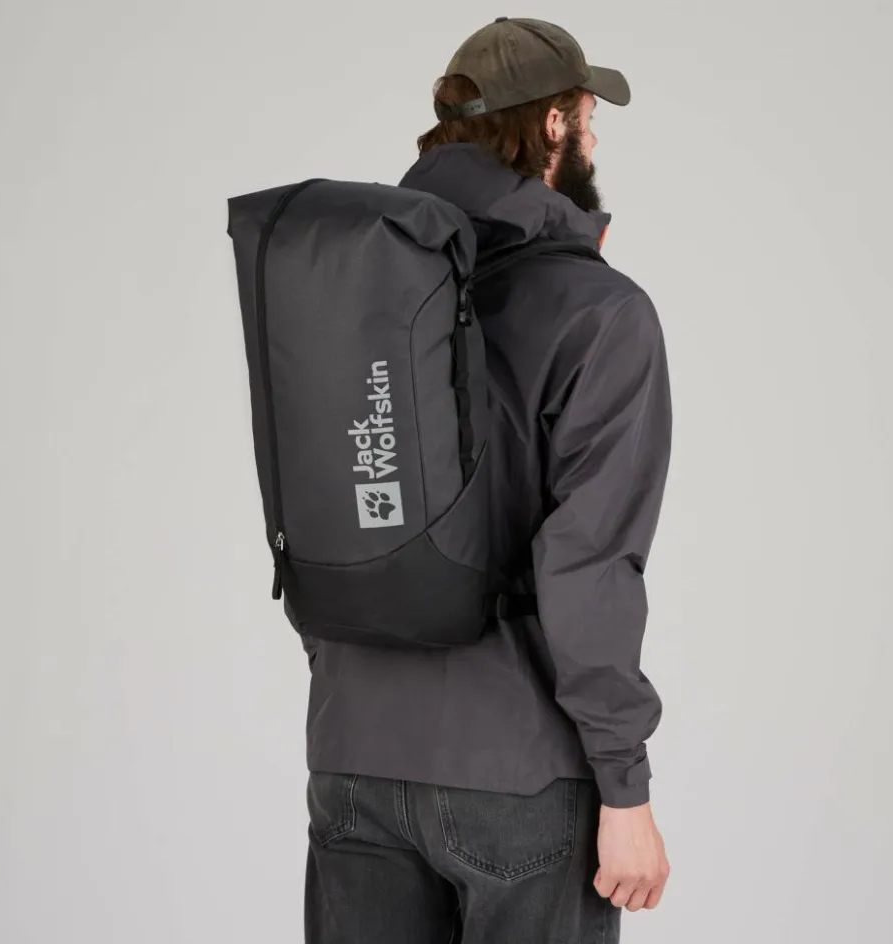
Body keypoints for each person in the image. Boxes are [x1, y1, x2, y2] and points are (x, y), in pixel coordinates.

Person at [303, 17, 672, 943]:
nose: (593, 142)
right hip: (517, 774)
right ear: (552, 125)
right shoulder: (600, 311)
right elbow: (589, 565)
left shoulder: (357, 292)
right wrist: (624, 786)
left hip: (352, 763)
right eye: (588, 118)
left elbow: (319, 500)